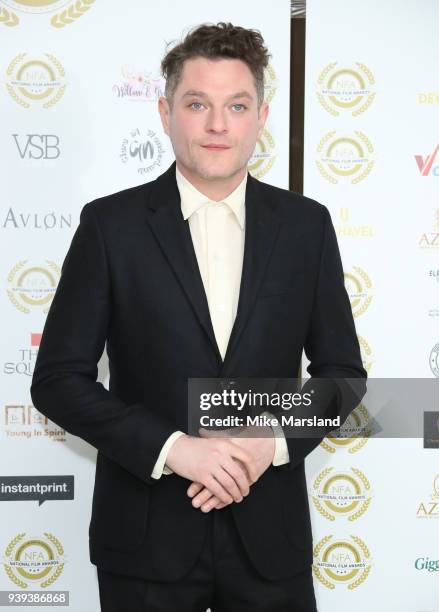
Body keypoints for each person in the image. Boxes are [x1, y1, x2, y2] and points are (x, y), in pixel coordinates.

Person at [30, 22, 367, 612]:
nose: (217, 125)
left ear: (261, 117)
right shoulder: (109, 227)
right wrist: (175, 449)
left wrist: (269, 442)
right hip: (144, 542)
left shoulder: (306, 226)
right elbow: (58, 380)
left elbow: (342, 373)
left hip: (271, 540)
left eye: (237, 105)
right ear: (165, 113)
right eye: (197, 104)